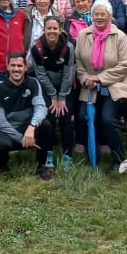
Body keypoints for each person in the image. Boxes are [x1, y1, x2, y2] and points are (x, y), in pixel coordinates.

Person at [76, 0, 127, 167]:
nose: (100, 17)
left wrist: (100, 78)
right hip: (90, 85)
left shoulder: (119, 36)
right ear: (92, 16)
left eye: (103, 14)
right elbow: (78, 62)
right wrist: (86, 78)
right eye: (97, 14)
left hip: (114, 85)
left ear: (110, 17)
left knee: (108, 119)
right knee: (82, 117)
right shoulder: (83, 35)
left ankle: (118, 159)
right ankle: (91, 153)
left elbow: (125, 65)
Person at [0, 52, 51, 179]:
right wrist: (21, 139)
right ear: (8, 67)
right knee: (2, 142)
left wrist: (32, 126)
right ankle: (3, 164)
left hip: (27, 128)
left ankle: (42, 165)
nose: (16, 69)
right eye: (13, 65)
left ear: (25, 68)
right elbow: (0, 122)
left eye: (19, 66)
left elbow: (41, 107)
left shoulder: (33, 83)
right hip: (7, 130)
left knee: (45, 125)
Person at [29, 15, 77, 169]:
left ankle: (68, 155)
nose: (52, 31)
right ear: (44, 30)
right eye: (49, 28)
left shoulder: (68, 47)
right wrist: (53, 96)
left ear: (60, 30)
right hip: (47, 87)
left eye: (55, 28)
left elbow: (69, 73)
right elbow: (41, 75)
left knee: (65, 115)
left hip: (65, 87)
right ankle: (48, 153)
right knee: (48, 116)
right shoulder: (36, 48)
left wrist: (61, 97)